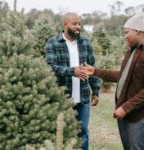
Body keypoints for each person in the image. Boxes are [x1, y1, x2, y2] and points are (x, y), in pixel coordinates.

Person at [82, 13, 144, 150]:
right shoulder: (132, 51)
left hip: (138, 116)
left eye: (127, 32)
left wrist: (125, 107)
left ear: (138, 31)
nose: (125, 36)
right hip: (126, 113)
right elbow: (123, 77)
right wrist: (95, 72)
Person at [45, 12, 100, 150]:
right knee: (61, 133)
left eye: (79, 23)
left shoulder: (85, 43)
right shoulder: (53, 43)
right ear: (65, 25)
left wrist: (96, 91)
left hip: (83, 97)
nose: (78, 26)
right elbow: (50, 67)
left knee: (83, 132)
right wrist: (72, 71)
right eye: (74, 23)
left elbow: (92, 68)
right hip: (62, 97)